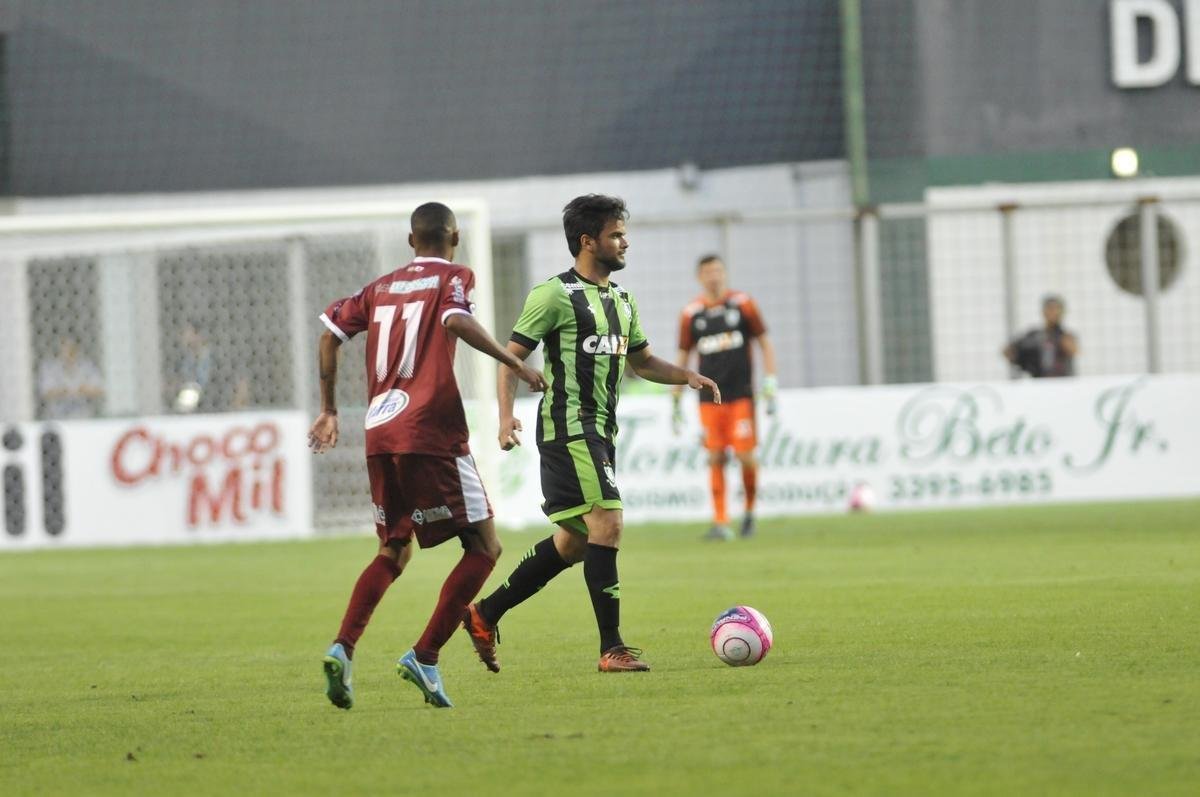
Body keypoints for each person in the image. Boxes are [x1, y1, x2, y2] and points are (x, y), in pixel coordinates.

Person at [460, 194, 720, 674]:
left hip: (602, 431)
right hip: (569, 428)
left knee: (575, 543)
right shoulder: (554, 295)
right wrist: (505, 417)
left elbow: (643, 362)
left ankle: (485, 613)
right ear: (588, 241)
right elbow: (511, 358)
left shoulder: (622, 300)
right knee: (608, 522)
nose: (625, 243)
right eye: (616, 235)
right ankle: (611, 648)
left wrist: (686, 375)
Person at [310, 202, 546, 710]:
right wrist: (515, 364)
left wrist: (328, 409)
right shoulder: (455, 276)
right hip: (430, 429)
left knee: (393, 549)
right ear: (454, 238)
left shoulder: (380, 287)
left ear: (411, 240)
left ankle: (342, 648)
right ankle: (425, 655)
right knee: (484, 547)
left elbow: (329, 335)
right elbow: (456, 320)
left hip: (379, 430)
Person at [672, 255, 777, 540]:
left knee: (745, 456)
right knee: (715, 456)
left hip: (741, 395)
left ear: (725, 274)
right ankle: (720, 521)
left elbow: (764, 342)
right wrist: (675, 399)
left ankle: (750, 512)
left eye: (718, 271)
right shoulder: (691, 313)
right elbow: (683, 355)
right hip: (709, 399)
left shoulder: (743, 304)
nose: (713, 276)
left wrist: (770, 380)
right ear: (699, 277)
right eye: (708, 272)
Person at [1003, 294, 1078, 378]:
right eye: (1050, 309)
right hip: (1040, 381)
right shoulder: (1033, 336)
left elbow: (1073, 350)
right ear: (1044, 312)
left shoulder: (1066, 336)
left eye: (1057, 309)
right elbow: (1009, 352)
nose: (1053, 313)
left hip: (1062, 381)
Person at [38, 336, 104, 419]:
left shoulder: (86, 366)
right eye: (65, 348)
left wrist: (75, 390)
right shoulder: (50, 367)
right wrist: (67, 391)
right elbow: (46, 391)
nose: (68, 353)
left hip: (83, 415)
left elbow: (99, 389)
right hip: (56, 416)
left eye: (72, 349)